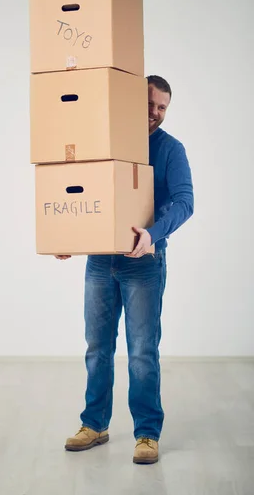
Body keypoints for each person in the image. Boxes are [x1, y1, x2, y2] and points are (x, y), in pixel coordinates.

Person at [55, 75, 194, 464]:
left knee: (141, 352)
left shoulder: (170, 150)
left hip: (144, 264)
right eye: (150, 104)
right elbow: (83, 191)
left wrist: (151, 235)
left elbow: (185, 202)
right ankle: (94, 424)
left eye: (162, 107)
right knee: (97, 348)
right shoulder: (106, 145)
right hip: (100, 260)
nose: (155, 113)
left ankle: (147, 433)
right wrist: (67, 235)